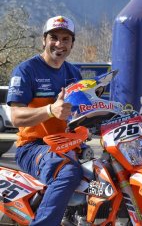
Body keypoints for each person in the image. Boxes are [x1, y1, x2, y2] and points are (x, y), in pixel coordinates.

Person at [7, 15, 83, 225]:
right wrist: (50, 110)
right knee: (67, 172)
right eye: (54, 37)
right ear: (44, 40)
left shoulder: (74, 73)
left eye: (65, 39)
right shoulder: (26, 70)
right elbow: (15, 117)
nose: (59, 44)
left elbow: (85, 109)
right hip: (34, 147)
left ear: (72, 44)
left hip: (69, 145)